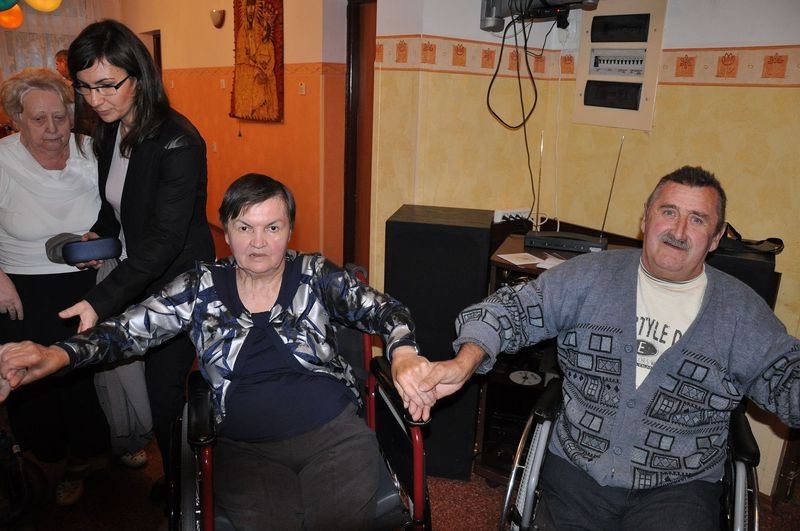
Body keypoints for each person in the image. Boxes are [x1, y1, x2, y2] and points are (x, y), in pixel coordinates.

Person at [0, 173, 426, 530]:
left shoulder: (314, 275)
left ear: (289, 230)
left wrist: (403, 352)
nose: (258, 243)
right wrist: (59, 355)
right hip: (246, 451)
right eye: (245, 227)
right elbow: (126, 332)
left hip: (334, 437)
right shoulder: (201, 287)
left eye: (272, 228)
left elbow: (388, 311)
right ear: (225, 229)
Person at [394, 166, 800, 531]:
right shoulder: (589, 277)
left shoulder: (740, 312)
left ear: (715, 238)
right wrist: (465, 363)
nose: (678, 230)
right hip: (578, 469)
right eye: (668, 211)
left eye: (697, 219)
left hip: (678, 487)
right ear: (645, 218)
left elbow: (787, 376)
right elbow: (509, 311)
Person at [63, 19, 215, 492]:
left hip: (178, 282)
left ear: (140, 76)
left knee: (163, 391)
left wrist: (101, 299)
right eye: (85, 87)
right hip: (138, 272)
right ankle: (179, 474)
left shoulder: (179, 141)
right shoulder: (111, 129)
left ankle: (184, 488)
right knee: (149, 384)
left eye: (107, 85)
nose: (95, 100)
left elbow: (165, 239)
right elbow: (118, 205)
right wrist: (99, 233)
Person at [0, 68, 110, 505]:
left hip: (87, 281)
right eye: (38, 119)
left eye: (60, 117)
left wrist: (102, 239)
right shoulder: (3, 159)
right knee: (33, 382)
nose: (52, 129)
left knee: (85, 379)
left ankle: (89, 457)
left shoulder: (91, 150)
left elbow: (118, 208)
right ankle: (47, 457)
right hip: (20, 291)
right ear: (16, 120)